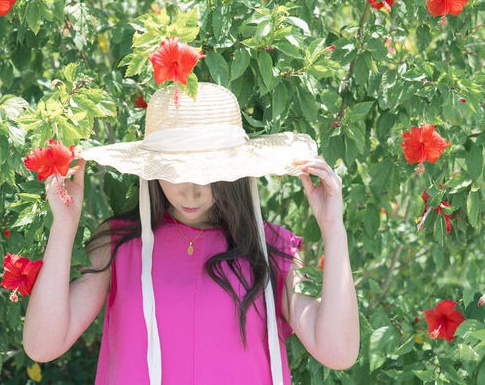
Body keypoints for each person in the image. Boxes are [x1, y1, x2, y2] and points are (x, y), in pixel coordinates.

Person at [22, 81, 359, 383]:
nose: (191, 191)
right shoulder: (121, 243)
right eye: (174, 172)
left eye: (208, 173)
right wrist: (64, 226)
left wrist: (334, 229)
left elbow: (338, 352)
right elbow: (42, 345)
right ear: (151, 170)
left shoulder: (268, 246)